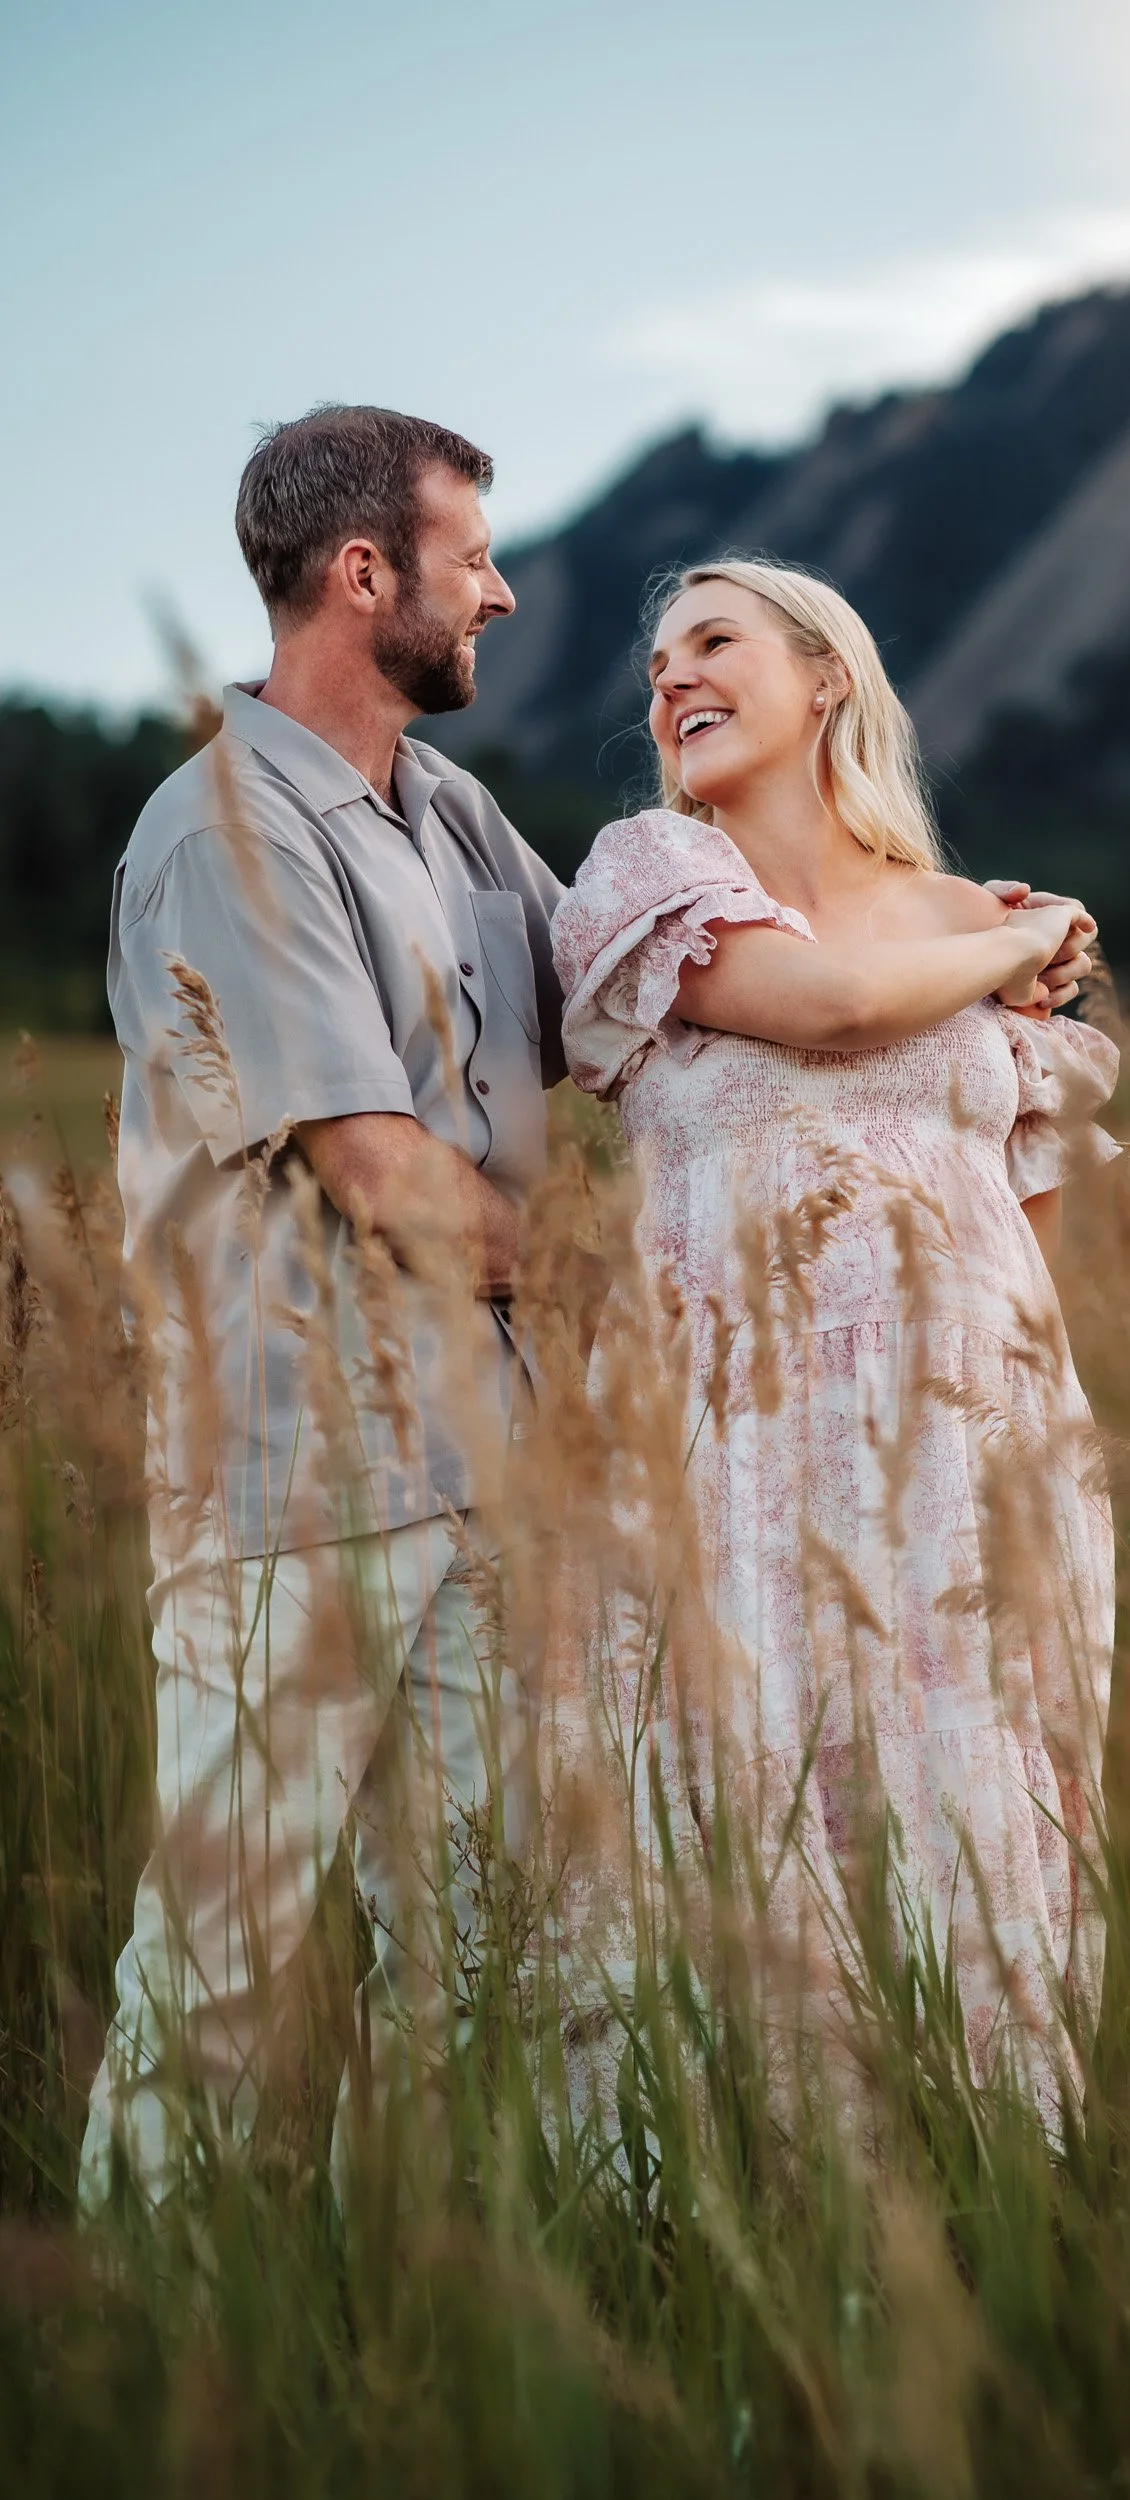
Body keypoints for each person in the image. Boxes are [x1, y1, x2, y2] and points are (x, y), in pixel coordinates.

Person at [549, 558, 1119, 2115]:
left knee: (973, 1794)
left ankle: (986, 2172)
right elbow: (837, 1008)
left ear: (826, 679)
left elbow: (1026, 1219)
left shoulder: (957, 917)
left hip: (963, 1448)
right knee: (732, 1787)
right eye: (655, 665)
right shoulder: (650, 877)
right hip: (726, 1432)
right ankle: (723, 2192)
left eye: (711, 642)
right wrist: (1023, 940)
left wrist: (1028, 1465)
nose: (670, 680)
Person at [81, 405, 567, 2207]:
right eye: (473, 560)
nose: (499, 596)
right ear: (364, 575)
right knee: (218, 1972)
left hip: (481, 1467)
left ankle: (415, 2314)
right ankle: (131, 2331)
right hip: (295, 1488)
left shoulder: (451, 811)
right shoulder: (225, 833)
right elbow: (384, 1179)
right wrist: (643, 1275)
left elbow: (631, 986)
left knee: (482, 1957)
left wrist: (937, 950)